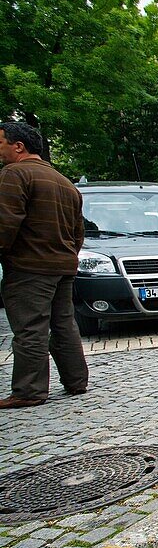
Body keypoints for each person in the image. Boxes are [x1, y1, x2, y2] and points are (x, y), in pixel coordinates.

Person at [0, 122, 88, 409]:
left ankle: (29, 390)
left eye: (1, 143)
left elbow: (5, 223)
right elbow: (78, 232)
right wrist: (66, 256)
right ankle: (76, 380)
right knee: (64, 323)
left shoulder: (15, 174)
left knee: (31, 327)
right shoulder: (64, 182)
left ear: (18, 146)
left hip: (30, 266)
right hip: (62, 264)